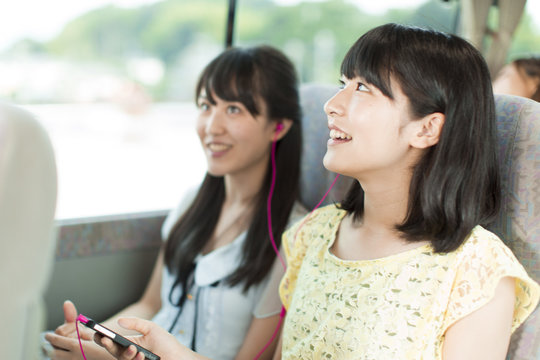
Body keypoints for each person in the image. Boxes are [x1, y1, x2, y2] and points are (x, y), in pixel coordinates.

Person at [94, 23, 540, 360]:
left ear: (426, 128)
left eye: (363, 88)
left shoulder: (479, 272)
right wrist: (170, 352)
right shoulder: (311, 235)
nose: (332, 104)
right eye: (343, 83)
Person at [44, 45, 305, 360]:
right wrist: (92, 336)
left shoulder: (295, 237)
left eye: (234, 109)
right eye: (207, 105)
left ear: (279, 126)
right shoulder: (192, 202)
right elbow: (151, 305)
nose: (212, 126)